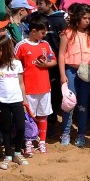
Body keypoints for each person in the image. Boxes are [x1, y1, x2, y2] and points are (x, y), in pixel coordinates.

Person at [57, 2, 90, 147]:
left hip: (88, 70)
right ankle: (65, 132)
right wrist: (63, 75)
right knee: (69, 102)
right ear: (77, 18)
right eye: (84, 18)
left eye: (89, 18)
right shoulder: (67, 32)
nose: (87, 21)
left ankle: (81, 132)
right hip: (71, 70)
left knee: (83, 103)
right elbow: (61, 54)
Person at [0, 31, 28, 170]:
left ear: (7, 49)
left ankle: (17, 152)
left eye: (1, 50)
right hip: (2, 101)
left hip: (17, 100)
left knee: (21, 127)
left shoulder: (17, 64)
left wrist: (25, 100)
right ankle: (8, 155)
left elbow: (22, 83)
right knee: (6, 128)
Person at [16, 15, 55, 155]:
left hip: (44, 87)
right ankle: (28, 142)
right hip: (28, 89)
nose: (44, 35)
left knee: (43, 115)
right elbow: (15, 66)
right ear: (33, 31)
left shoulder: (45, 45)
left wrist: (46, 64)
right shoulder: (21, 46)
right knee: (29, 117)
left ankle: (42, 142)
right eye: (42, 32)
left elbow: (53, 60)